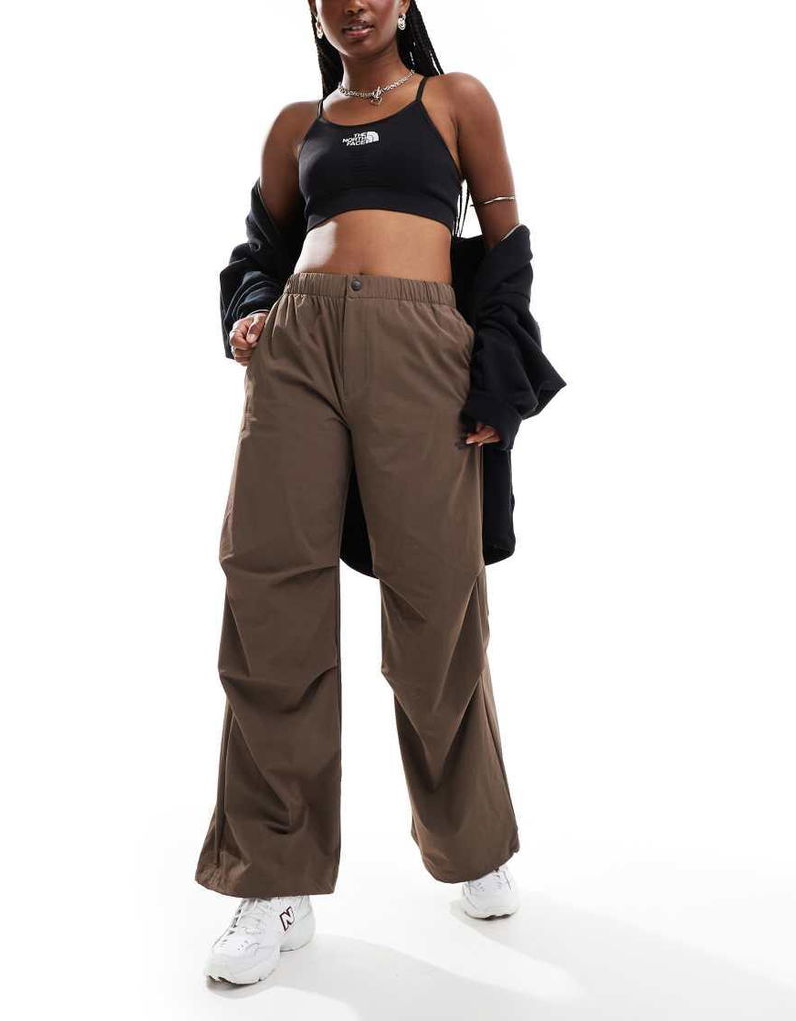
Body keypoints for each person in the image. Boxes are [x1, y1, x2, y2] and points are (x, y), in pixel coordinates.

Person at [197, 0, 555, 986]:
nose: (353, 3)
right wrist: (251, 310)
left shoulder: (454, 101)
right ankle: (271, 877)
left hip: (419, 347)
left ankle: (469, 840)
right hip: (299, 349)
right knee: (269, 594)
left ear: (401, 2)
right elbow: (259, 252)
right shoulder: (295, 125)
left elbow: (506, 249)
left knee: (437, 598)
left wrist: (497, 375)